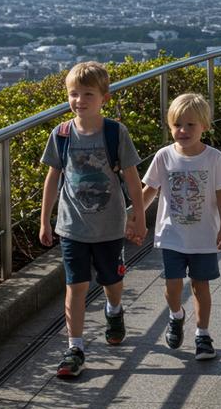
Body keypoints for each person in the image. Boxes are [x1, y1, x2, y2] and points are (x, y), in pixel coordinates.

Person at [39, 61, 146, 378]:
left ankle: (114, 310)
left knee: (112, 280)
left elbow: (131, 177)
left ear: (104, 98)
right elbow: (52, 177)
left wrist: (138, 218)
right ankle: (75, 347)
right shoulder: (61, 134)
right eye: (74, 94)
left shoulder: (115, 132)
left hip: (109, 225)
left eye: (88, 93)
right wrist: (45, 220)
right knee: (76, 284)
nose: (79, 100)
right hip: (72, 225)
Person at [139, 93, 221, 361]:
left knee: (200, 285)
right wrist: (135, 216)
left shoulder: (214, 158)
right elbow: (150, 190)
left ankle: (202, 335)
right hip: (172, 235)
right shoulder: (164, 156)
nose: (183, 131)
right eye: (177, 124)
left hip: (203, 235)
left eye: (190, 125)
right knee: (172, 286)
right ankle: (176, 315)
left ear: (204, 126)